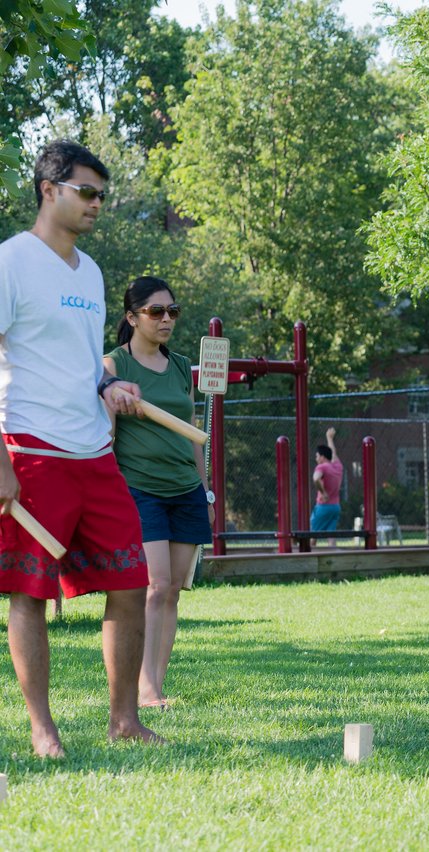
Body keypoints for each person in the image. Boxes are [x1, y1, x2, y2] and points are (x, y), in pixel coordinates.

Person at [0, 140, 159, 756]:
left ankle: (125, 719)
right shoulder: (11, 261)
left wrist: (108, 381)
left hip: (93, 452)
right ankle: (43, 730)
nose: (96, 204)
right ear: (49, 190)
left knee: (132, 581)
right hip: (31, 448)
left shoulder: (89, 272)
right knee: (29, 591)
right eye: (85, 192)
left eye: (101, 195)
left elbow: (79, 360)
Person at [103, 276, 213, 711]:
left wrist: (203, 490)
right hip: (139, 488)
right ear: (132, 317)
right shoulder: (114, 366)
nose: (166, 319)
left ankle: (156, 686)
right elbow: (107, 438)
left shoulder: (182, 365)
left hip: (185, 489)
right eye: (155, 312)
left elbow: (191, 435)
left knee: (172, 591)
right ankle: (143, 689)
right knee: (156, 583)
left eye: (173, 311)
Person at [311, 428, 342, 547]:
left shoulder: (321, 467)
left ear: (322, 457)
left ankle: (308, 560)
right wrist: (329, 438)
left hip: (323, 506)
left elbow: (316, 478)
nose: (316, 458)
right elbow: (333, 453)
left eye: (317, 456)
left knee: (312, 536)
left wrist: (323, 492)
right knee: (331, 536)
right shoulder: (337, 466)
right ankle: (333, 559)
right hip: (335, 507)